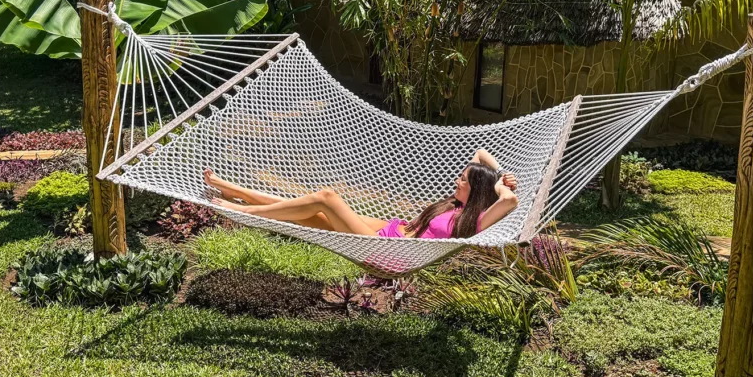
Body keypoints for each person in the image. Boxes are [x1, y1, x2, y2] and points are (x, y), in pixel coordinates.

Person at [203, 148, 518, 239]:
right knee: (311, 213)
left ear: (476, 190)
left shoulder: (475, 220)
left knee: (327, 198)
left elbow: (510, 201)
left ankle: (242, 211)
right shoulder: (457, 205)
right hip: (392, 228)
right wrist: (498, 174)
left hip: (390, 252)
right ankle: (231, 190)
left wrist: (500, 186)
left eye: (463, 180)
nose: (456, 180)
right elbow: (480, 154)